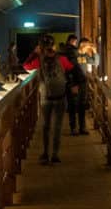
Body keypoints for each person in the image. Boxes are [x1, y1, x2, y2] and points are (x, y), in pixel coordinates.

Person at [23, 34, 75, 164]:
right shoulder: (62, 59)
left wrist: (34, 53)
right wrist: (72, 84)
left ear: (41, 47)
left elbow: (26, 66)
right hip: (61, 96)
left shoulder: (39, 60)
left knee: (46, 126)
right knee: (57, 127)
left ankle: (45, 153)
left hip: (46, 97)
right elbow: (72, 69)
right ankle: (55, 155)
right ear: (54, 46)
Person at [61, 34, 89, 135]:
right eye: (76, 42)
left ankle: (76, 128)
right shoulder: (70, 52)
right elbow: (71, 69)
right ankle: (79, 128)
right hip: (75, 82)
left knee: (75, 105)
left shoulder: (68, 51)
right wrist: (73, 83)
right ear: (72, 41)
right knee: (77, 105)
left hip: (75, 82)